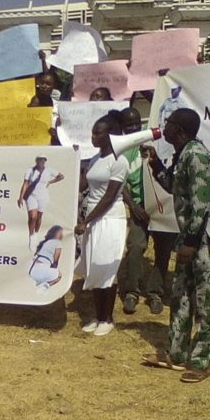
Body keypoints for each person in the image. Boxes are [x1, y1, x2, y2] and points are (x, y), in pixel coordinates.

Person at [143, 108, 210, 382]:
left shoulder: (197, 155)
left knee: (205, 301)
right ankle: (176, 353)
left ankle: (202, 360)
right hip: (188, 237)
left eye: (168, 124)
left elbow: (203, 201)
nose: (164, 128)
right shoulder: (183, 154)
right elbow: (174, 187)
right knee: (181, 296)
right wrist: (157, 165)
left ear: (179, 130)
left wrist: (192, 242)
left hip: (201, 240)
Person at [75, 111, 129, 336]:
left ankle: (107, 318)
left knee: (107, 267)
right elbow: (82, 185)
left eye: (97, 133)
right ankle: (97, 316)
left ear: (111, 136)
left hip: (110, 218)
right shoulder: (96, 159)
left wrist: (87, 220)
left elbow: (109, 197)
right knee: (95, 267)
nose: (93, 137)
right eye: (92, 132)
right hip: (94, 218)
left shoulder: (119, 161)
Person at [119, 108, 163, 315]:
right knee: (135, 247)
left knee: (163, 251)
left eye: (136, 124)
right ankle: (132, 292)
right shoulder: (121, 151)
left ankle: (155, 292)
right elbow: (120, 183)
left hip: (162, 208)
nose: (133, 128)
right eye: (128, 125)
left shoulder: (155, 143)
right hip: (139, 209)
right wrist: (133, 207)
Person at [18, 156, 65, 250]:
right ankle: (31, 237)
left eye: (43, 160)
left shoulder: (49, 170)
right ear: (36, 161)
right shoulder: (30, 171)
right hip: (31, 195)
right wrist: (21, 197)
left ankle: (36, 233)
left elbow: (61, 176)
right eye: (40, 160)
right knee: (32, 217)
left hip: (43, 196)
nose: (41, 162)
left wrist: (50, 182)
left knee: (39, 217)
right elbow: (25, 183)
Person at [28, 225, 64, 294]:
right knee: (59, 275)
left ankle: (40, 283)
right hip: (41, 268)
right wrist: (54, 268)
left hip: (31, 268)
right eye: (61, 233)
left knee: (45, 274)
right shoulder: (58, 243)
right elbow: (56, 259)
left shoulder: (45, 242)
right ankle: (45, 287)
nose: (62, 235)